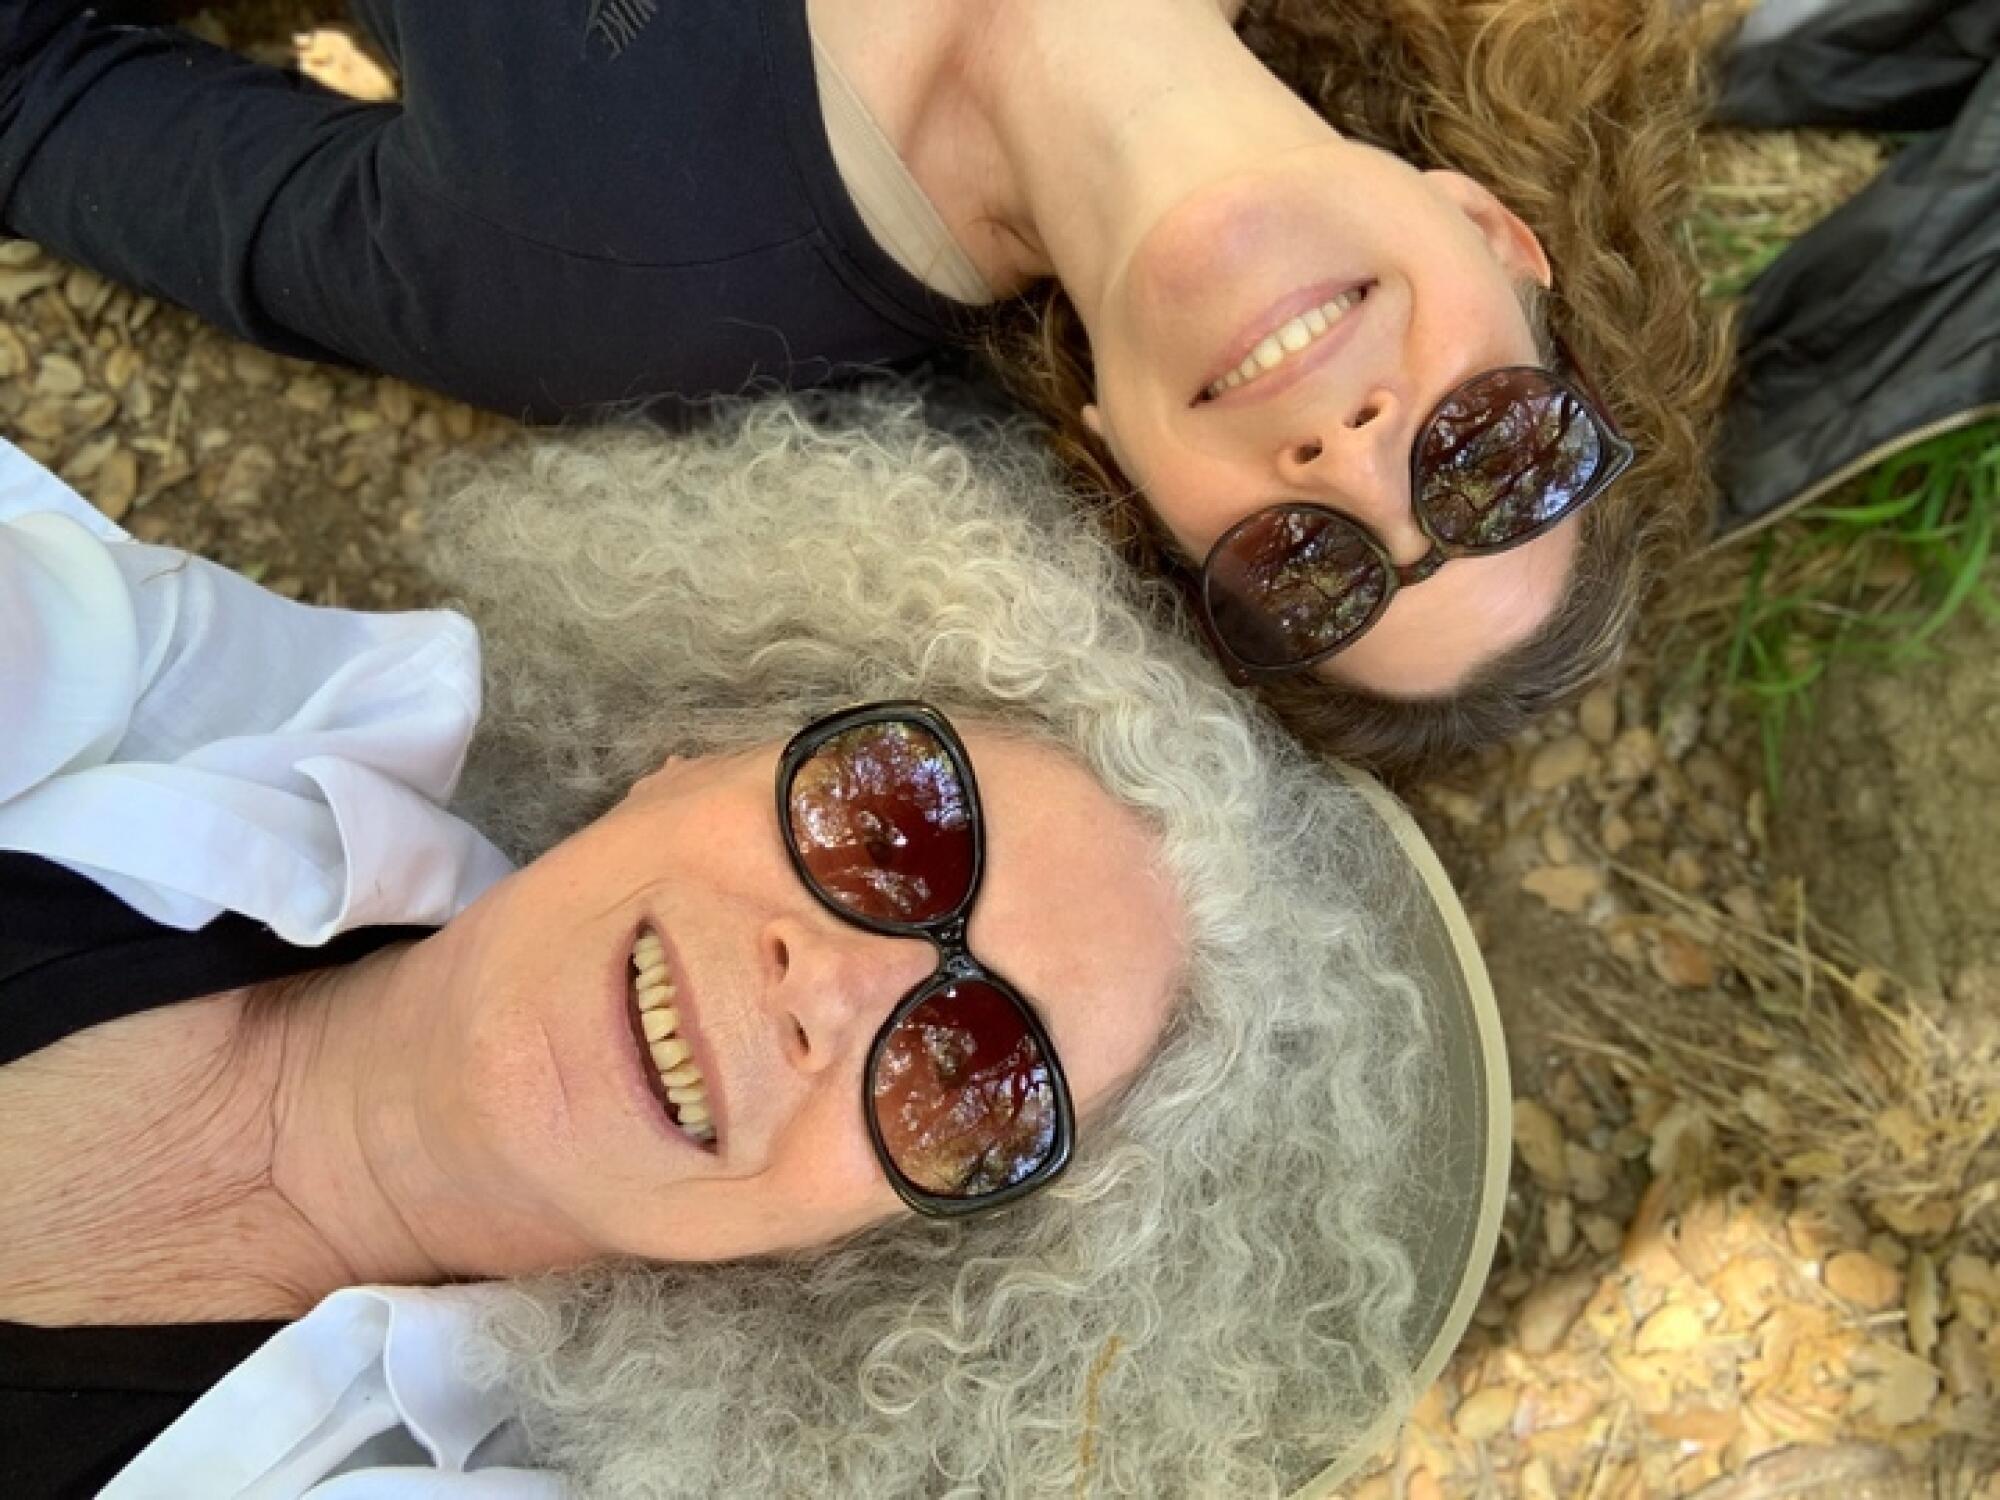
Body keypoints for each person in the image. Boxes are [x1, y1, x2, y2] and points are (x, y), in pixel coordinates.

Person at [0, 397, 1510, 1497]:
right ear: (696, 745)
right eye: (891, 824)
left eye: (977, 1079)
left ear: (854, 1266)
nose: (841, 987)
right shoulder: (177, 701)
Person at [0, 0, 1731, 776]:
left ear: (1123, 477)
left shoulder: (604, 287)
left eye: (1310, 571)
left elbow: (39, 93)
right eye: (1495, 459)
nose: (1360, 461)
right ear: (1497, 233)